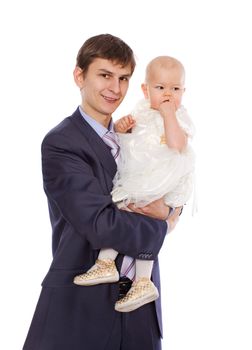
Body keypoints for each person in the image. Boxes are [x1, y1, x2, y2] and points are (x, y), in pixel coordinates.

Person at [22, 34, 181, 350]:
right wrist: (163, 221)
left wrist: (170, 208)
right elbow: (100, 223)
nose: (115, 88)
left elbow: (169, 186)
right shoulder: (61, 143)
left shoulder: (140, 135)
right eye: (105, 75)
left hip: (140, 311)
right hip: (81, 312)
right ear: (79, 76)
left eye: (123, 78)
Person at [74, 56, 195, 313]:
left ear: (184, 92)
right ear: (145, 90)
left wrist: (168, 114)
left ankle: (142, 280)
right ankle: (108, 263)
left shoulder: (179, 117)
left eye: (175, 89)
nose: (167, 95)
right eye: (160, 88)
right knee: (123, 211)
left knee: (143, 222)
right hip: (140, 176)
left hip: (163, 180)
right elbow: (127, 147)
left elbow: (177, 144)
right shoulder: (140, 112)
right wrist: (123, 130)